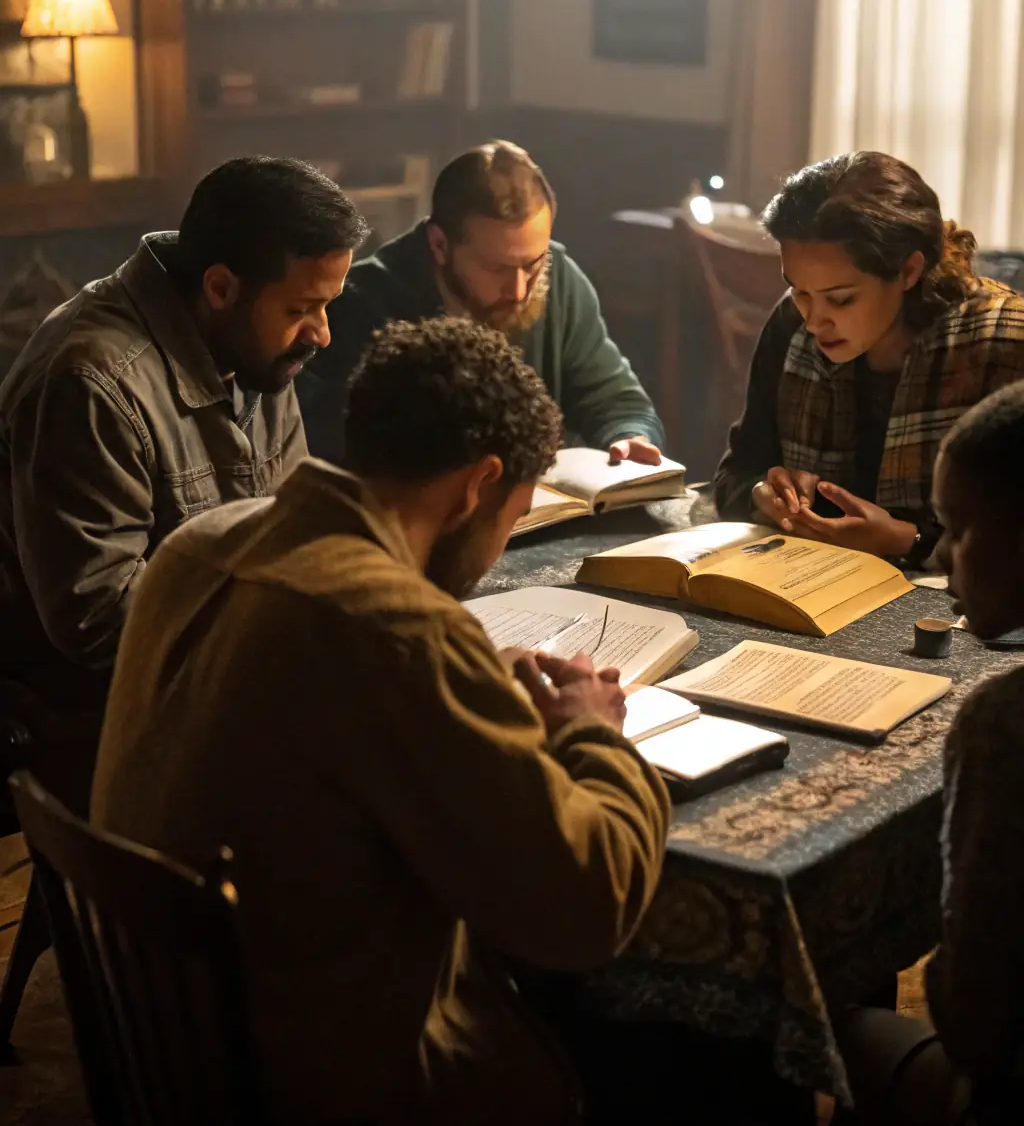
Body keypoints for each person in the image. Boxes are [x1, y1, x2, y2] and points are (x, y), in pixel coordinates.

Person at [90, 317, 670, 1126]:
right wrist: (591, 729)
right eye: (513, 512)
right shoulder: (397, 630)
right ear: (478, 484)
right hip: (331, 1086)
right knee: (673, 1054)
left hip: (171, 1052)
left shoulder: (197, 546)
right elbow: (589, 904)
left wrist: (463, 691)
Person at [0, 155, 367, 803]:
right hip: (94, 714)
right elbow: (97, 618)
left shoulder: (256, 344)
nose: (323, 334)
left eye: (328, 306)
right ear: (221, 287)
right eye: (304, 307)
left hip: (219, 670)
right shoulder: (93, 380)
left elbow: (289, 528)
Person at [836, 380, 1024, 1126]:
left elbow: (973, 1017)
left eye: (959, 528)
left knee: (806, 1031)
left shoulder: (1004, 725)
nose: (942, 555)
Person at [714, 151, 1024, 565]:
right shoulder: (791, 323)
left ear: (909, 271)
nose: (813, 321)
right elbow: (735, 474)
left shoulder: (1003, 342)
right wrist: (764, 495)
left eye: (841, 299)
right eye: (799, 290)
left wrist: (910, 539)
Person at [298, 139, 665, 466]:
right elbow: (331, 446)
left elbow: (617, 401)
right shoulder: (363, 305)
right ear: (439, 245)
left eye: (532, 264)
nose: (520, 290)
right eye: (497, 268)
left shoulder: (560, 279)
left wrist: (629, 437)